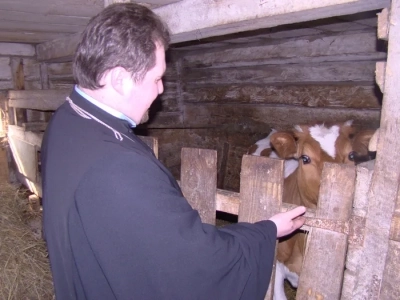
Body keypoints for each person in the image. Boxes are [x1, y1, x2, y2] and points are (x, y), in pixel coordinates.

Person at [41, 3, 306, 300]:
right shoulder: (117, 165)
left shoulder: (67, 120)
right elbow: (191, 267)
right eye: (156, 78)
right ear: (118, 79)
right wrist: (266, 231)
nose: (161, 90)